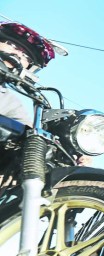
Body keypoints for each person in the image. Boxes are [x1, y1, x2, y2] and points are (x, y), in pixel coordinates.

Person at [0, 21, 91, 166]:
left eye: (26, 57)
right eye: (12, 45)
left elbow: (28, 132)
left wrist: (66, 153)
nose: (18, 54)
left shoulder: (11, 104)